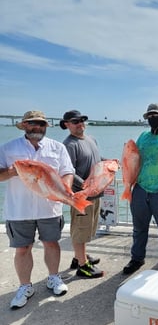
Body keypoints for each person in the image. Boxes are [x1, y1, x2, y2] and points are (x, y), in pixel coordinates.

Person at [0, 111, 71, 309]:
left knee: (52, 243)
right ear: (23, 125)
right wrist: (12, 172)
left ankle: (54, 278)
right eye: (32, 124)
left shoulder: (58, 148)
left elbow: (67, 172)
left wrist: (64, 192)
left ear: (46, 126)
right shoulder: (7, 148)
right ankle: (25, 287)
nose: (36, 127)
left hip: (50, 207)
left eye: (41, 124)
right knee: (22, 249)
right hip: (19, 209)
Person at [123, 103, 158, 275]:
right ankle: (137, 258)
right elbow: (135, 157)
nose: (153, 119)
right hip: (140, 187)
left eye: (156, 116)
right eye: (150, 117)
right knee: (139, 227)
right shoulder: (143, 136)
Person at [60, 110, 104, 278]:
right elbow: (68, 171)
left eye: (82, 120)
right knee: (80, 228)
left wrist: (110, 163)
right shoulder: (69, 145)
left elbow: (97, 160)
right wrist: (85, 185)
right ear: (67, 125)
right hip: (81, 197)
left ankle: (78, 256)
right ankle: (82, 265)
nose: (80, 123)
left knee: (89, 228)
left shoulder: (91, 139)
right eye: (75, 121)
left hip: (95, 194)